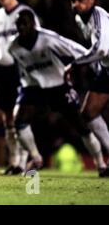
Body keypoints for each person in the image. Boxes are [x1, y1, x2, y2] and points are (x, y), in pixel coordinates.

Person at [9, 10, 105, 175]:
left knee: (81, 126)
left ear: (33, 24)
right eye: (19, 24)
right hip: (34, 88)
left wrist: (94, 64)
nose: (21, 27)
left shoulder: (48, 39)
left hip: (58, 86)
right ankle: (36, 158)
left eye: (25, 23)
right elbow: (22, 69)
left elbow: (74, 48)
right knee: (18, 121)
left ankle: (101, 164)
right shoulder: (13, 47)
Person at [0, 0, 39, 175]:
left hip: (20, 69)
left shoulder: (26, 13)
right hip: (2, 70)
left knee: (20, 117)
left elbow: (38, 40)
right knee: (7, 118)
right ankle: (14, 161)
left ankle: (23, 161)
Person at [67, 0, 109, 177]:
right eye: (74, 1)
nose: (77, 4)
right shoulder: (79, 20)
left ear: (92, 1)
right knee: (88, 113)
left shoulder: (99, 16)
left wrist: (74, 64)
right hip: (106, 70)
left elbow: (101, 49)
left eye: (81, 0)